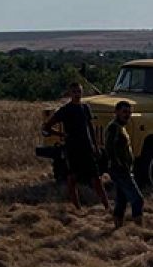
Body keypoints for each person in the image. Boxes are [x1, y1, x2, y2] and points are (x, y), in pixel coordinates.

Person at [42, 83, 109, 212]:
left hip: (87, 147)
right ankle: (77, 208)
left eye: (79, 92)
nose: (77, 94)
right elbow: (47, 126)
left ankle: (107, 207)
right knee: (72, 178)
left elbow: (90, 128)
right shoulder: (65, 110)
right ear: (70, 93)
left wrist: (95, 146)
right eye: (74, 92)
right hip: (73, 149)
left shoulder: (85, 108)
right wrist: (61, 134)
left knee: (96, 178)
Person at [104, 100, 144, 228]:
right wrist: (120, 165)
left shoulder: (120, 127)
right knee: (137, 200)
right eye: (124, 112)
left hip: (122, 169)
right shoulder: (114, 128)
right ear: (116, 112)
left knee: (121, 200)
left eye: (129, 112)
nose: (127, 115)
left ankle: (117, 229)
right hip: (120, 170)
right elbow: (110, 149)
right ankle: (139, 231)